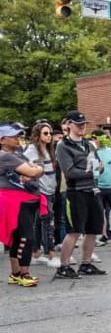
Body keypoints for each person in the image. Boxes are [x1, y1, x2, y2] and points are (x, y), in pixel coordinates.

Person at [54, 111, 107, 278]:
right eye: (78, 124)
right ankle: (63, 266)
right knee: (75, 230)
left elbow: (100, 165)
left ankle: (86, 263)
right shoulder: (63, 146)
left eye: (84, 124)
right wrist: (92, 171)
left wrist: (99, 168)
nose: (82, 127)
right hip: (76, 192)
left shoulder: (89, 144)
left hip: (93, 190)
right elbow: (69, 172)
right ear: (69, 125)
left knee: (93, 229)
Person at [0, 122, 44, 286]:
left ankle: (15, 273)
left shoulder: (17, 154)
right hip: (15, 201)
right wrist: (36, 170)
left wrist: (34, 171)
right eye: (13, 136)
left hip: (23, 199)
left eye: (18, 135)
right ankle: (24, 274)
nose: (18, 139)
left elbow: (35, 170)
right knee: (27, 237)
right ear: (2, 140)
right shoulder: (6, 156)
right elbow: (34, 170)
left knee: (18, 237)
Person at [24, 122, 58, 266]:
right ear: (37, 135)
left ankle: (36, 252)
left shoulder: (49, 150)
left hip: (50, 190)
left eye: (50, 133)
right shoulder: (32, 150)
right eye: (45, 133)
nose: (49, 136)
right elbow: (25, 167)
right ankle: (50, 254)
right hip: (39, 191)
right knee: (47, 222)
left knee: (40, 222)